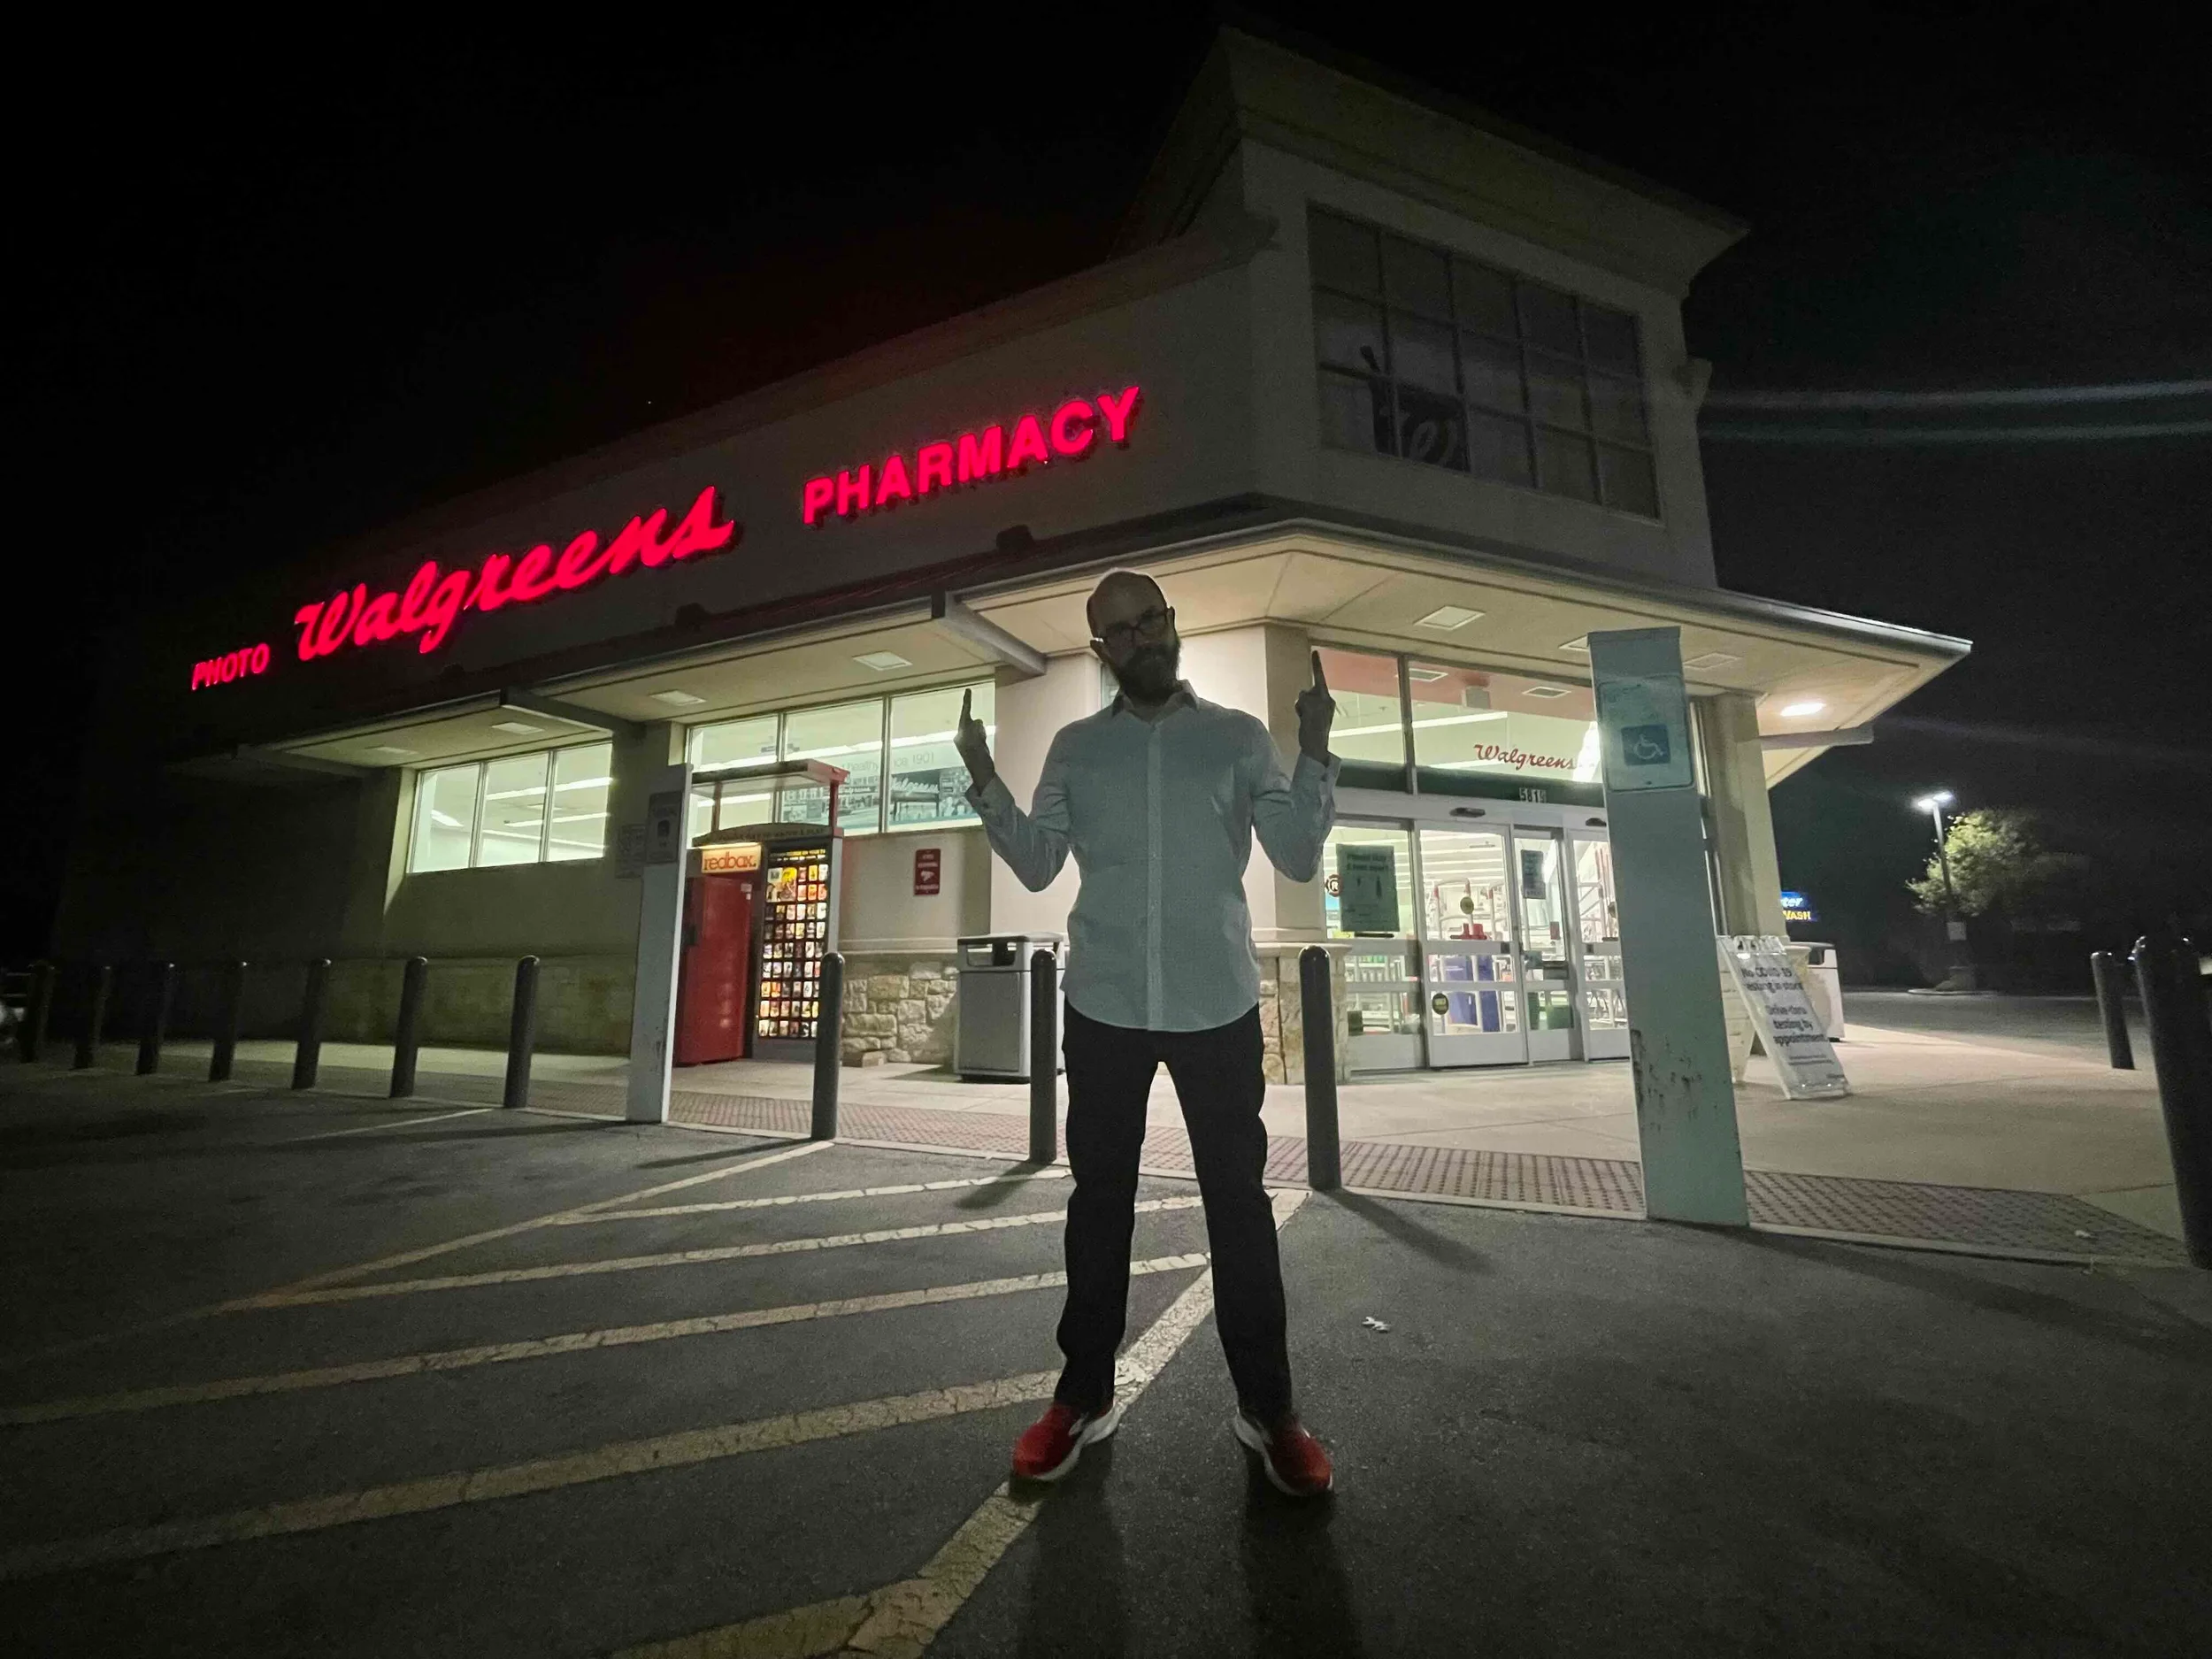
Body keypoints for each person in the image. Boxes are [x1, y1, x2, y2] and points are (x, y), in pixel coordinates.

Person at [954, 569, 1340, 1498]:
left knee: (1239, 1210)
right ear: (1101, 651)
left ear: (1172, 624)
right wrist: (981, 779)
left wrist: (1317, 747)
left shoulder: (1238, 738)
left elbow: (1293, 853)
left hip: (1216, 1004)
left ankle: (1269, 1412)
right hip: (1106, 1006)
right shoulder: (1076, 748)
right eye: (1119, 632)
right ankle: (1081, 1398)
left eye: (1151, 620)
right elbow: (1041, 865)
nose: (1141, 638)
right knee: (1099, 1206)